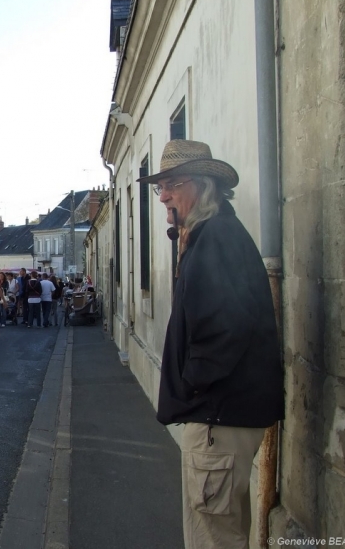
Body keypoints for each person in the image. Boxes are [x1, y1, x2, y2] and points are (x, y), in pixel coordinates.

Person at [138, 139, 284, 549]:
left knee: (212, 536)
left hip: (218, 415)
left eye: (171, 184)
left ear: (201, 186)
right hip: (223, 411)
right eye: (159, 187)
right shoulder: (212, 233)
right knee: (222, 527)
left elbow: (227, 326)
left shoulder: (215, 237)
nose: (163, 195)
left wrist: (193, 385)